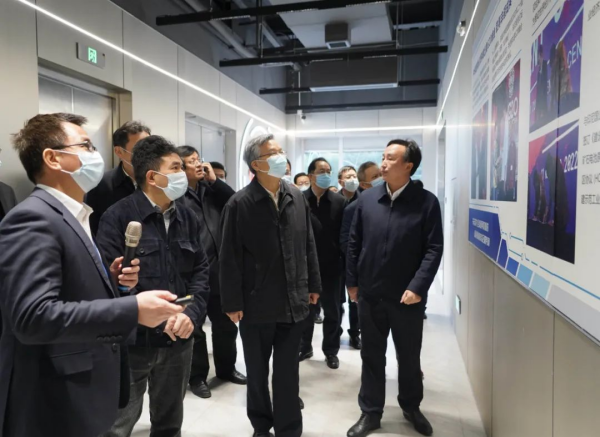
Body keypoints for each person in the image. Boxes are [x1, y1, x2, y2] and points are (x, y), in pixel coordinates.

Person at [0, 113, 183, 437]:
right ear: (53, 158)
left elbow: (68, 289)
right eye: (85, 146)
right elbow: (32, 316)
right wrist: (132, 309)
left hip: (83, 387)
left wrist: (111, 281)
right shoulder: (32, 218)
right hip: (54, 398)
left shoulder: (73, 214)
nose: (95, 155)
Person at [96, 136, 210, 437]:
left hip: (178, 340)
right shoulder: (118, 217)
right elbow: (108, 283)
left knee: (169, 425)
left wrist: (190, 315)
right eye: (176, 168)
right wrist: (152, 316)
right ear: (152, 177)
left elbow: (201, 271)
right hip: (133, 343)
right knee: (117, 426)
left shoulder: (187, 216)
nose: (184, 173)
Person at [220, 134, 321, 437]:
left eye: (281, 151)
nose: (281, 157)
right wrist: (232, 303)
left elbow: (308, 244)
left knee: (288, 373)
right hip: (256, 305)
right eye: (272, 153)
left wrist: (313, 283)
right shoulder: (239, 204)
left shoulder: (296, 196)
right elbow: (228, 257)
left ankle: (289, 429)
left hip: (293, 300)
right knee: (257, 372)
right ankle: (261, 426)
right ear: (256, 164)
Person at [346, 139, 443, 437]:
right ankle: (371, 412)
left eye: (390, 158)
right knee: (371, 355)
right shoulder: (367, 199)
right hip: (370, 294)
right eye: (383, 157)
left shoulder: (426, 202)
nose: (383, 164)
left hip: (407, 298)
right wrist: (352, 282)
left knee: (409, 357)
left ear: (408, 166)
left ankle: (411, 407)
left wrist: (418, 287)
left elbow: (433, 249)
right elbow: (353, 242)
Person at [177, 145, 246, 399]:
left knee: (226, 324)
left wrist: (215, 180)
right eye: (191, 161)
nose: (198, 165)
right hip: (191, 273)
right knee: (194, 328)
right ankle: (196, 377)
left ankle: (227, 369)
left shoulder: (212, 190)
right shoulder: (176, 195)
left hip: (219, 270)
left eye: (199, 160)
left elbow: (236, 201)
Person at [299, 158, 346, 370]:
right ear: (311, 175)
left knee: (333, 311)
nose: (326, 174)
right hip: (306, 266)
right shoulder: (299, 199)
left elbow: (344, 236)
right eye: (321, 171)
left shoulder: (339, 202)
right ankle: (304, 347)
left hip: (331, 266)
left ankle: (331, 351)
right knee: (306, 311)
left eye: (328, 170)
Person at [339, 162, 383, 350]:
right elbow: (346, 241)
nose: (381, 178)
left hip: (387, 273)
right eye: (375, 177)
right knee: (357, 306)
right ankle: (355, 333)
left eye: (380, 174)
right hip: (362, 269)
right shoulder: (354, 208)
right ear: (364, 184)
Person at [86, 121, 151, 236]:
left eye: (150, 147)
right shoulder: (100, 185)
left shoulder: (162, 181)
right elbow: (93, 229)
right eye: (140, 148)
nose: (148, 154)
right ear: (119, 151)